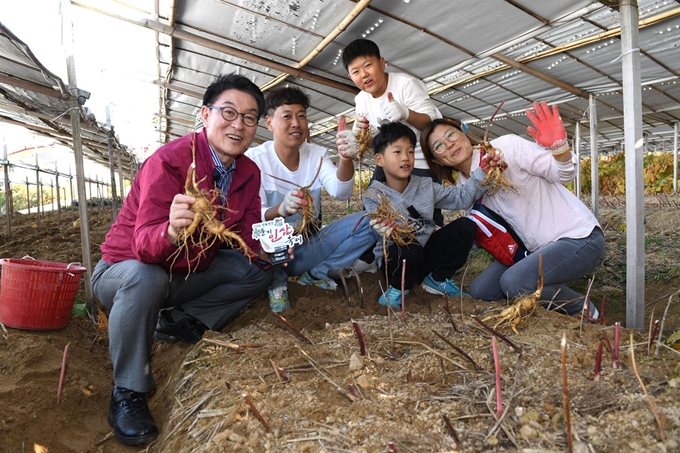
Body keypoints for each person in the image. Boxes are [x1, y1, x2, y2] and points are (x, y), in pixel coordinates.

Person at [91, 74, 275, 446]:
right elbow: (143, 246)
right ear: (205, 115)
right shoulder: (170, 162)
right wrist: (172, 232)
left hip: (186, 271)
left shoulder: (248, 173)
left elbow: (250, 232)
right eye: (228, 112)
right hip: (123, 272)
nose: (238, 125)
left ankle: (179, 320)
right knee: (147, 278)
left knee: (257, 269)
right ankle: (127, 391)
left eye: (250, 118)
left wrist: (272, 246)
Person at [420, 101, 605, 317]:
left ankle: (583, 309)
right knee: (482, 290)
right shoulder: (463, 189)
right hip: (530, 251)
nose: (449, 144)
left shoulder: (506, 148)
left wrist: (559, 148)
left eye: (450, 135)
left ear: (463, 133)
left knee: (515, 282)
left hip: (578, 238)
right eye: (439, 146)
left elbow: (562, 174)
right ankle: (538, 290)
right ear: (436, 159)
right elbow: (488, 232)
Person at [245, 86, 379, 312]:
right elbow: (252, 217)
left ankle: (317, 273)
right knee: (270, 236)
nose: (296, 123)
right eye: (287, 116)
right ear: (269, 123)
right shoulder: (255, 160)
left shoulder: (316, 154)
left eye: (301, 116)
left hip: (306, 248)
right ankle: (277, 285)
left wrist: (345, 158)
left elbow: (341, 191)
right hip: (268, 255)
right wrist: (280, 209)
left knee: (370, 221)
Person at [363, 121, 499, 306]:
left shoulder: (425, 185)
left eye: (410, 151)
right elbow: (374, 228)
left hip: (425, 256)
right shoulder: (374, 195)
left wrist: (483, 173)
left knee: (465, 226)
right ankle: (397, 289)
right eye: (397, 152)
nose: (406, 158)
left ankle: (437, 279)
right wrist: (384, 229)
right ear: (380, 160)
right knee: (410, 249)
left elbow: (461, 197)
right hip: (396, 262)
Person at [342, 38, 445, 271]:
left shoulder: (406, 85)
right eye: (356, 71)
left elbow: (431, 122)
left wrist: (406, 113)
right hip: (389, 161)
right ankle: (376, 255)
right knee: (376, 205)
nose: (364, 75)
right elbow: (370, 142)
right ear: (350, 77)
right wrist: (359, 136)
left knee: (425, 212)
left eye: (368, 65)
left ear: (382, 62)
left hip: (420, 159)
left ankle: (433, 259)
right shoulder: (361, 99)